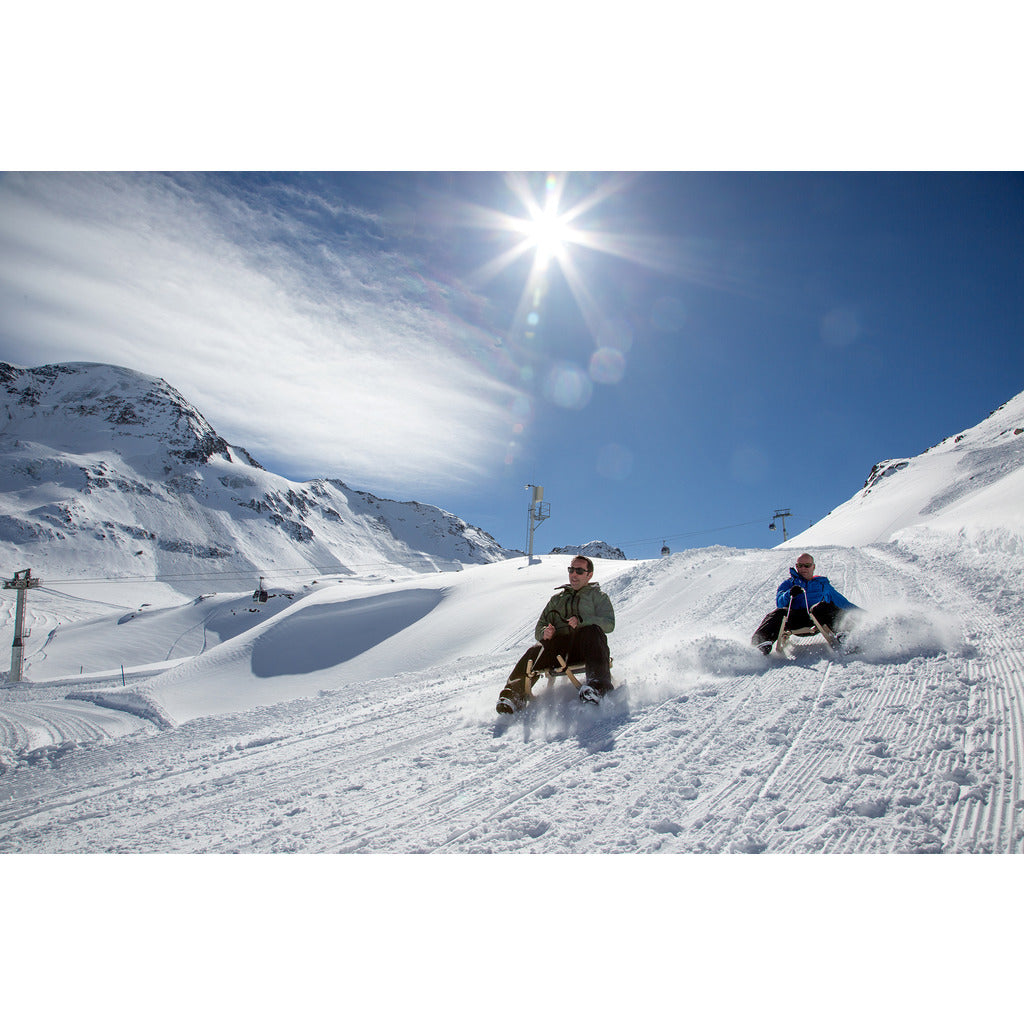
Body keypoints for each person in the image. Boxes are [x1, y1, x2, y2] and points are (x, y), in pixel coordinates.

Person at [496, 556, 615, 713]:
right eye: (571, 570)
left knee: (591, 631)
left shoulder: (598, 597)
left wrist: (583, 620)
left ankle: (597, 687)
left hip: (586, 648)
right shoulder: (557, 599)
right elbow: (539, 627)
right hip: (559, 650)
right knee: (536, 648)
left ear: (589, 575)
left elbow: (609, 624)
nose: (574, 574)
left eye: (579, 571)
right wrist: (545, 632)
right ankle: (514, 694)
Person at [751, 553, 862, 655]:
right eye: (800, 565)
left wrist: (864, 616)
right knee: (779, 613)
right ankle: (759, 646)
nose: (803, 568)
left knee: (823, 606)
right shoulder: (789, 583)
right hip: (794, 620)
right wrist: (789, 593)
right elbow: (779, 602)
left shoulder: (822, 584)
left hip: (817, 619)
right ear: (797, 566)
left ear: (813, 567)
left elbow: (842, 603)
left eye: (807, 565)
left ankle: (848, 637)